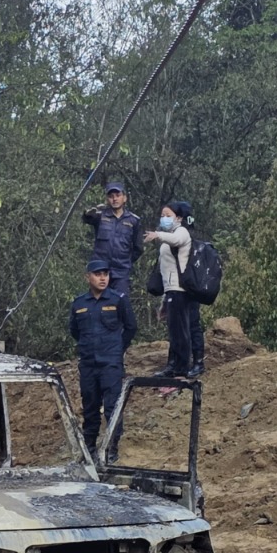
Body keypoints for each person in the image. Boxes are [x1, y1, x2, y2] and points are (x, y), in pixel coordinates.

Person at [69, 257, 137, 461]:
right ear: (87, 277)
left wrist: (117, 348)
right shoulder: (79, 303)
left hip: (111, 363)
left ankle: (111, 448)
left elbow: (131, 327)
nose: (102, 278)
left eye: (105, 274)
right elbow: (74, 331)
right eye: (98, 274)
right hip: (89, 363)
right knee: (90, 405)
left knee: (112, 407)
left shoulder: (117, 299)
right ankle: (89, 448)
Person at [144, 201, 203, 376]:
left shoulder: (181, 232)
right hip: (172, 290)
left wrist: (158, 234)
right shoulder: (168, 236)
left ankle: (183, 365)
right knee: (175, 329)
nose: (164, 219)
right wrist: (164, 301)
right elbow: (165, 272)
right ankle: (174, 364)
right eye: (162, 216)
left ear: (178, 218)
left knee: (185, 328)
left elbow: (177, 240)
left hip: (181, 289)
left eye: (168, 216)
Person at [82, 182, 144, 300]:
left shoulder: (133, 220)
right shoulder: (100, 215)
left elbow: (138, 248)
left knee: (121, 302)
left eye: (117, 195)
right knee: (98, 302)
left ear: (124, 198)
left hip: (121, 271)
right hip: (100, 269)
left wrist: (126, 261)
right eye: (111, 196)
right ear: (107, 199)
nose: (114, 199)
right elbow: (87, 218)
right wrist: (88, 213)